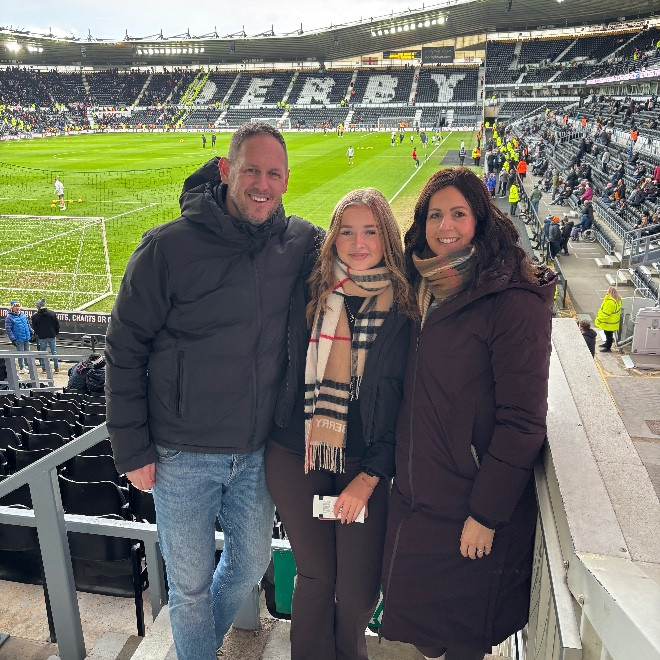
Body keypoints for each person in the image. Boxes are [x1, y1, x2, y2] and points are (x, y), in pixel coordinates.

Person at [105, 123, 322, 660]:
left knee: (249, 565)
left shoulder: (297, 242)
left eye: (274, 174)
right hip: (180, 456)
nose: (262, 184)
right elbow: (124, 349)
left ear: (287, 180)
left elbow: (362, 244)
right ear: (226, 170)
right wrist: (131, 449)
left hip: (255, 452)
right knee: (190, 588)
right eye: (252, 170)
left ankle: (194, 648)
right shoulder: (166, 248)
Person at [380, 167, 556, 660]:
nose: (446, 226)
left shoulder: (512, 302)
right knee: (426, 638)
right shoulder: (420, 288)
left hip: (469, 509)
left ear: (480, 219)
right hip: (418, 499)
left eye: (458, 214)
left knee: (461, 641)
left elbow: (523, 422)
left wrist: (486, 513)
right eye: (435, 215)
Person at [265, 188, 415, 660]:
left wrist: (369, 479)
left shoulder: (405, 307)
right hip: (298, 452)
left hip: (363, 463)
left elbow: (402, 406)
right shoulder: (309, 290)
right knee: (315, 575)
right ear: (333, 237)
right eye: (347, 231)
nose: (358, 243)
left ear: (387, 236)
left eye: (370, 231)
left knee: (356, 590)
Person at [31, 298, 60, 373]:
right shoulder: (52, 313)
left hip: (42, 337)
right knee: (54, 351)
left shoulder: (35, 316)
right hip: (52, 335)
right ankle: (56, 368)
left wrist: (38, 333)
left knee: (42, 352)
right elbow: (57, 324)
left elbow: (34, 327)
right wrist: (55, 333)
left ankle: (44, 368)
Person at [5, 300, 32, 373]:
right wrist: (13, 339)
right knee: (20, 353)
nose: (17, 308)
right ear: (12, 308)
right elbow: (8, 329)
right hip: (18, 338)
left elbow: (27, 324)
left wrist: (31, 332)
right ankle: (21, 367)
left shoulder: (23, 315)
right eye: (15, 306)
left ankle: (27, 365)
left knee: (27, 352)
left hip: (26, 337)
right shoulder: (9, 317)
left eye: (18, 306)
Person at [594, 286, 622, 353]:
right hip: (613, 321)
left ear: (609, 292)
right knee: (609, 334)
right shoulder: (618, 299)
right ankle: (607, 344)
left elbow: (606, 314)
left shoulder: (610, 301)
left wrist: (599, 320)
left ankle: (607, 347)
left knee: (608, 335)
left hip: (608, 322)